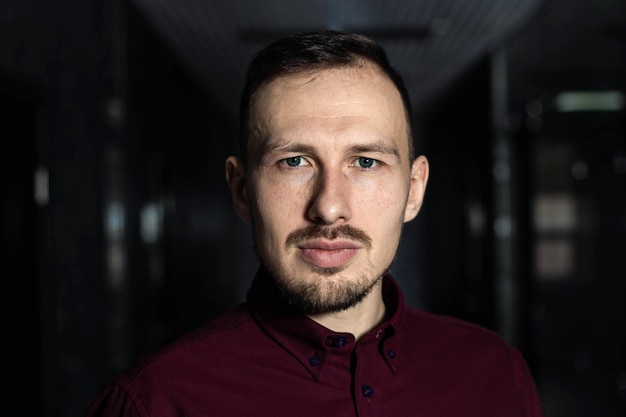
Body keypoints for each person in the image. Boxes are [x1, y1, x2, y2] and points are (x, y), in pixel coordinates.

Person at [86, 30, 544, 416]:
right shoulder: (153, 403)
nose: (328, 208)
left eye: (365, 162)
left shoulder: (495, 374)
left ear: (415, 189)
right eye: (295, 161)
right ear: (242, 189)